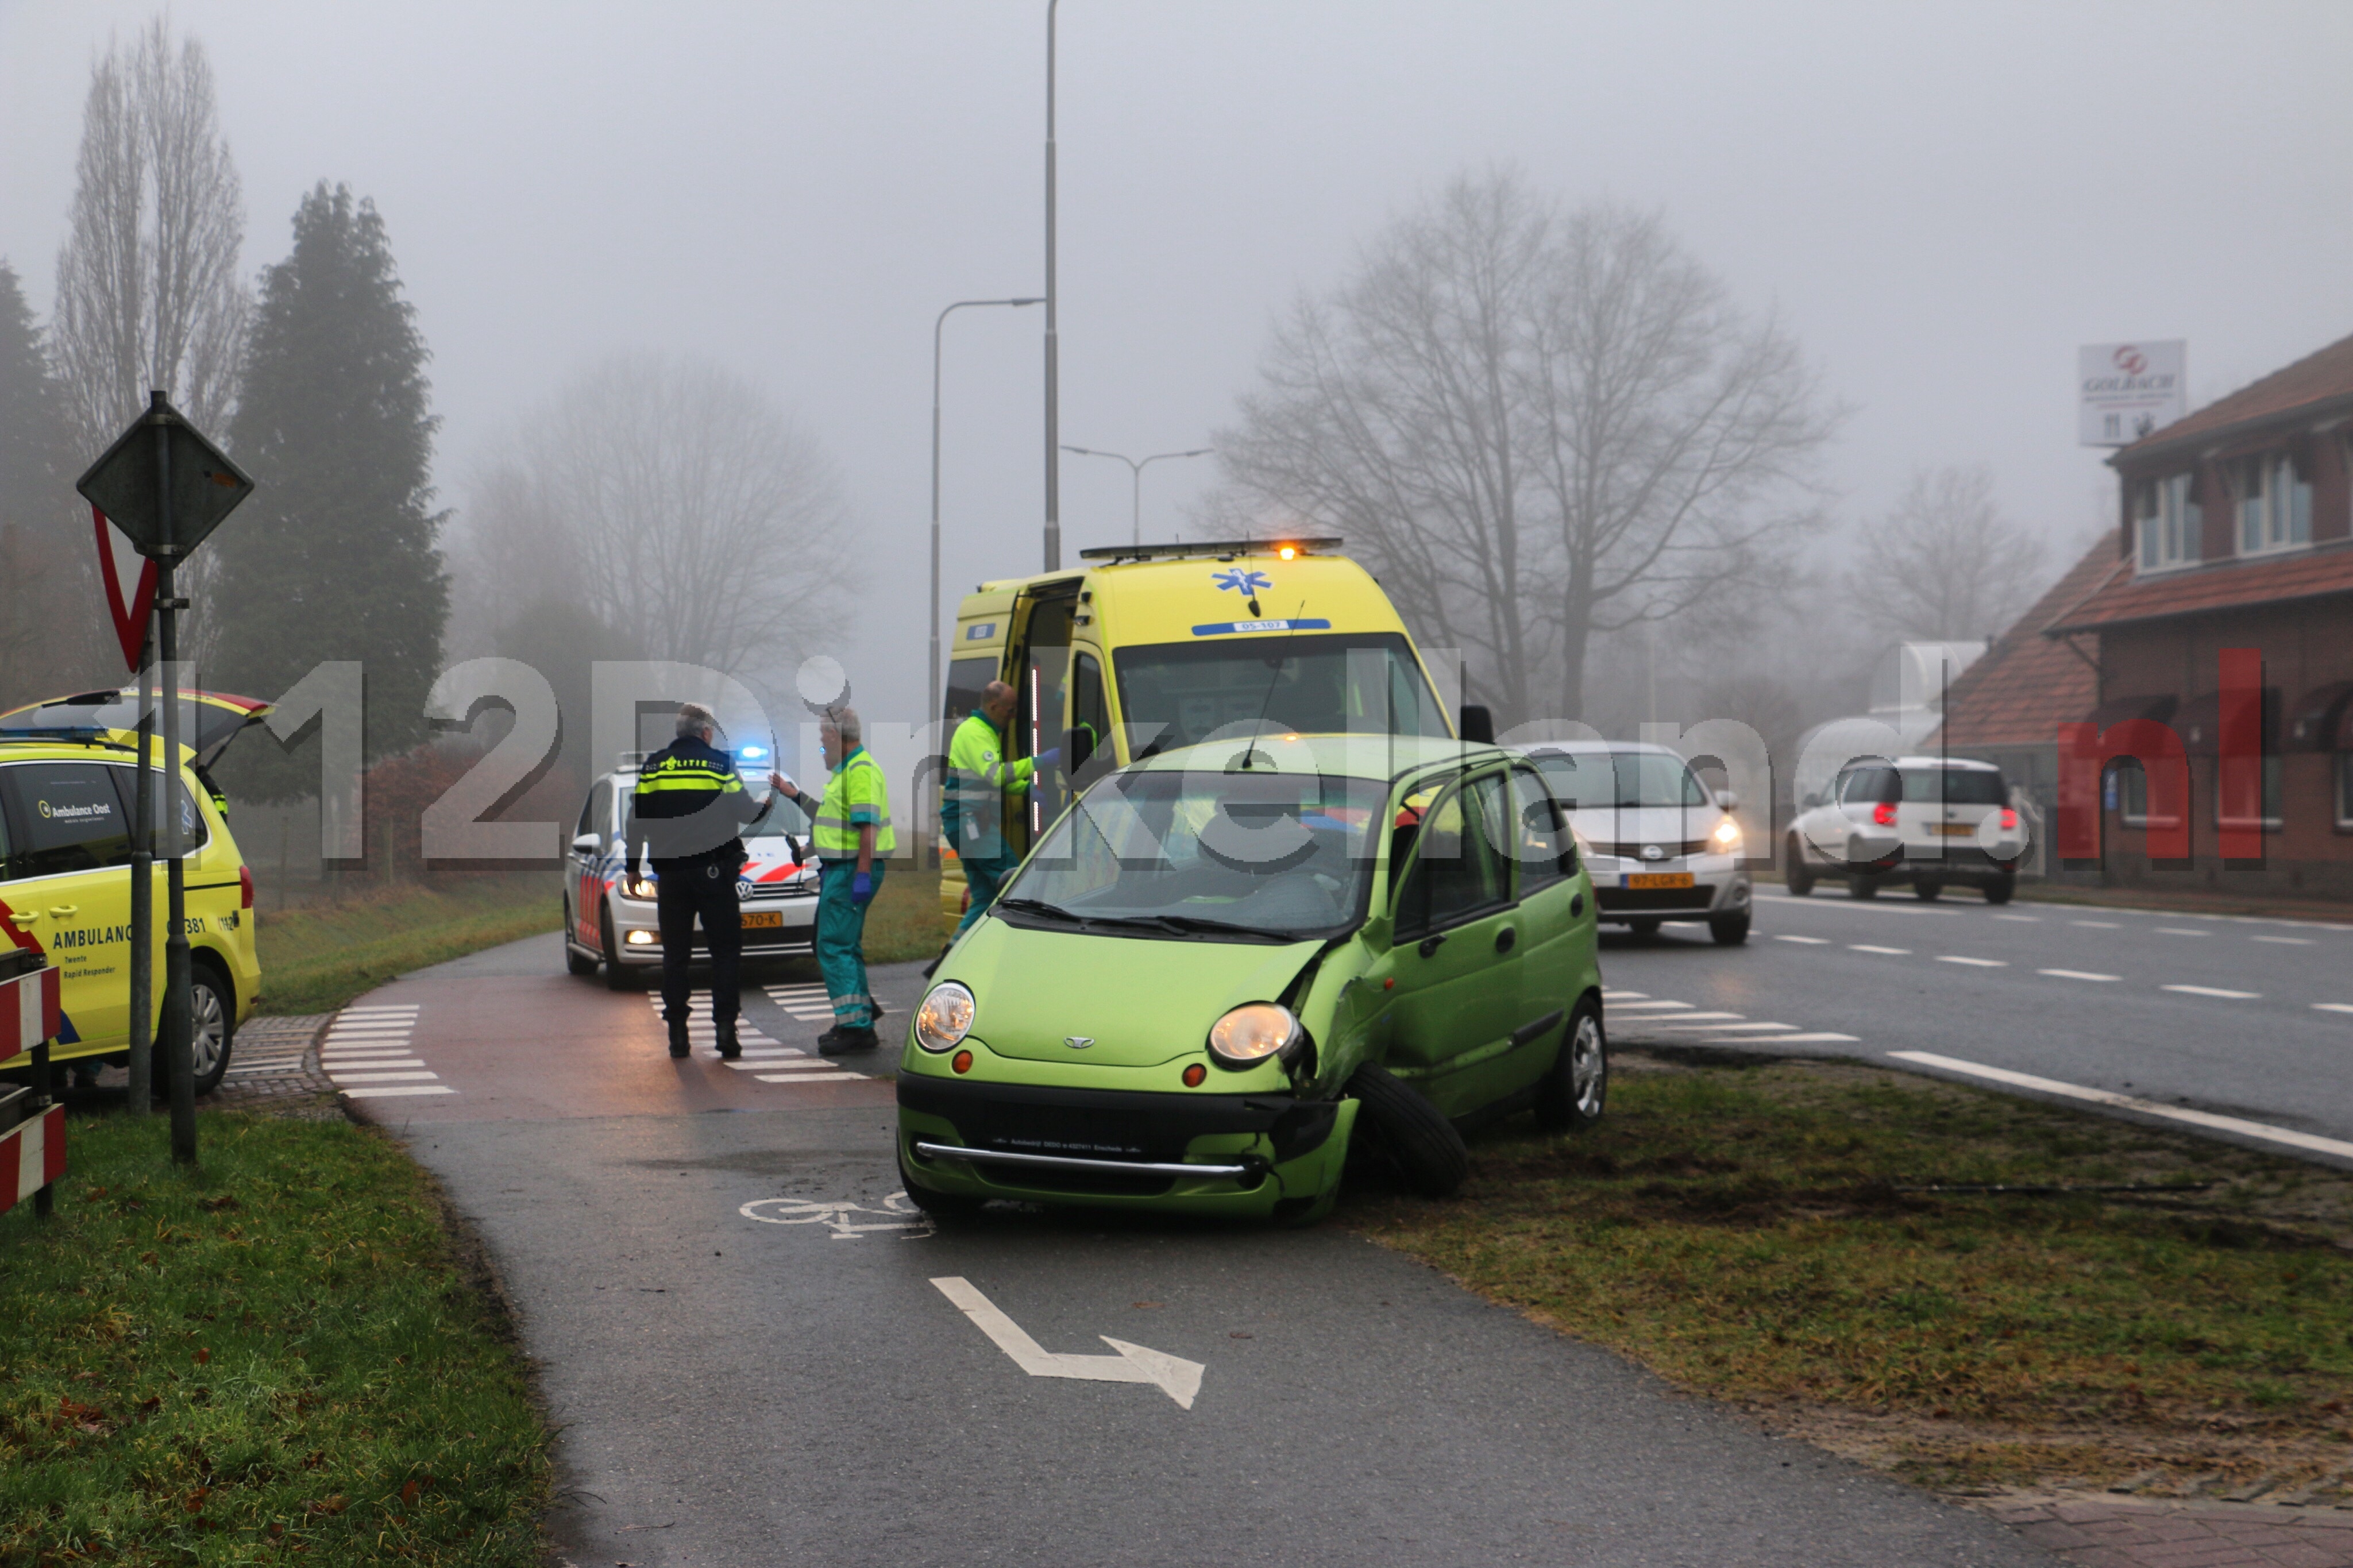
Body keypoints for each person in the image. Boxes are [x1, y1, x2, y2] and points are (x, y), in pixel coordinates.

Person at [627, 702, 781, 1060]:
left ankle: (678, 1036)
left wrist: (632, 867)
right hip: (714, 873)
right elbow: (744, 812)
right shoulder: (720, 764)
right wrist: (766, 804)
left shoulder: (654, 766)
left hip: (672, 876)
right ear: (706, 732)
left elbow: (636, 820)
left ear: (680, 733)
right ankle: (726, 1031)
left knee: (676, 957)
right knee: (725, 953)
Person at [770, 705, 894, 1054]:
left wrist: (863, 876)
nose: (821, 748)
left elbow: (867, 828)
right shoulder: (847, 773)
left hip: (850, 872)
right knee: (845, 946)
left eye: (823, 740)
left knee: (833, 946)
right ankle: (859, 1018)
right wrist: (806, 843)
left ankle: (854, 1026)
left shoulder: (860, 773)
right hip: (843, 870)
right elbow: (833, 827)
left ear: (837, 736)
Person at [938, 682, 1056, 963]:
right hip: (972, 824)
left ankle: (949, 956)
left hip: (966, 823)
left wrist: (1026, 789)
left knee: (983, 895)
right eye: (1010, 709)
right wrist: (1039, 763)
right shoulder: (976, 733)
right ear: (993, 707)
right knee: (1015, 882)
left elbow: (985, 781)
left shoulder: (981, 732)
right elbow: (995, 776)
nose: (1013, 715)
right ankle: (1025, 955)